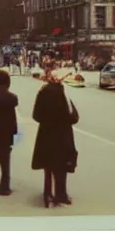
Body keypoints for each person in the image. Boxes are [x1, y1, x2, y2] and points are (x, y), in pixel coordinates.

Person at [31, 67, 79, 208]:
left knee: (48, 166)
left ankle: (48, 195)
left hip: (46, 133)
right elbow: (73, 116)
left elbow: (36, 115)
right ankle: (61, 194)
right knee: (62, 166)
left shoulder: (43, 92)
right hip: (62, 134)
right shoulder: (64, 93)